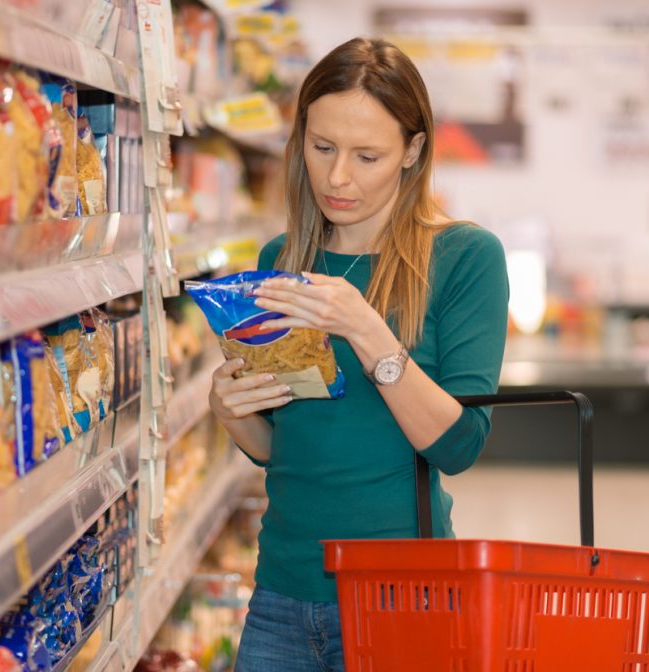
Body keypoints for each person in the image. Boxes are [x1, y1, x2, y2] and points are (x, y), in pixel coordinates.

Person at [209, 37, 509, 672]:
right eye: (321, 149)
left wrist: (369, 332)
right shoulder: (279, 262)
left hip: (404, 598)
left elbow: (459, 446)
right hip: (283, 593)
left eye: (367, 155)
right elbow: (283, 447)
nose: (338, 176)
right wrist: (233, 409)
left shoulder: (464, 258)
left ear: (413, 151)